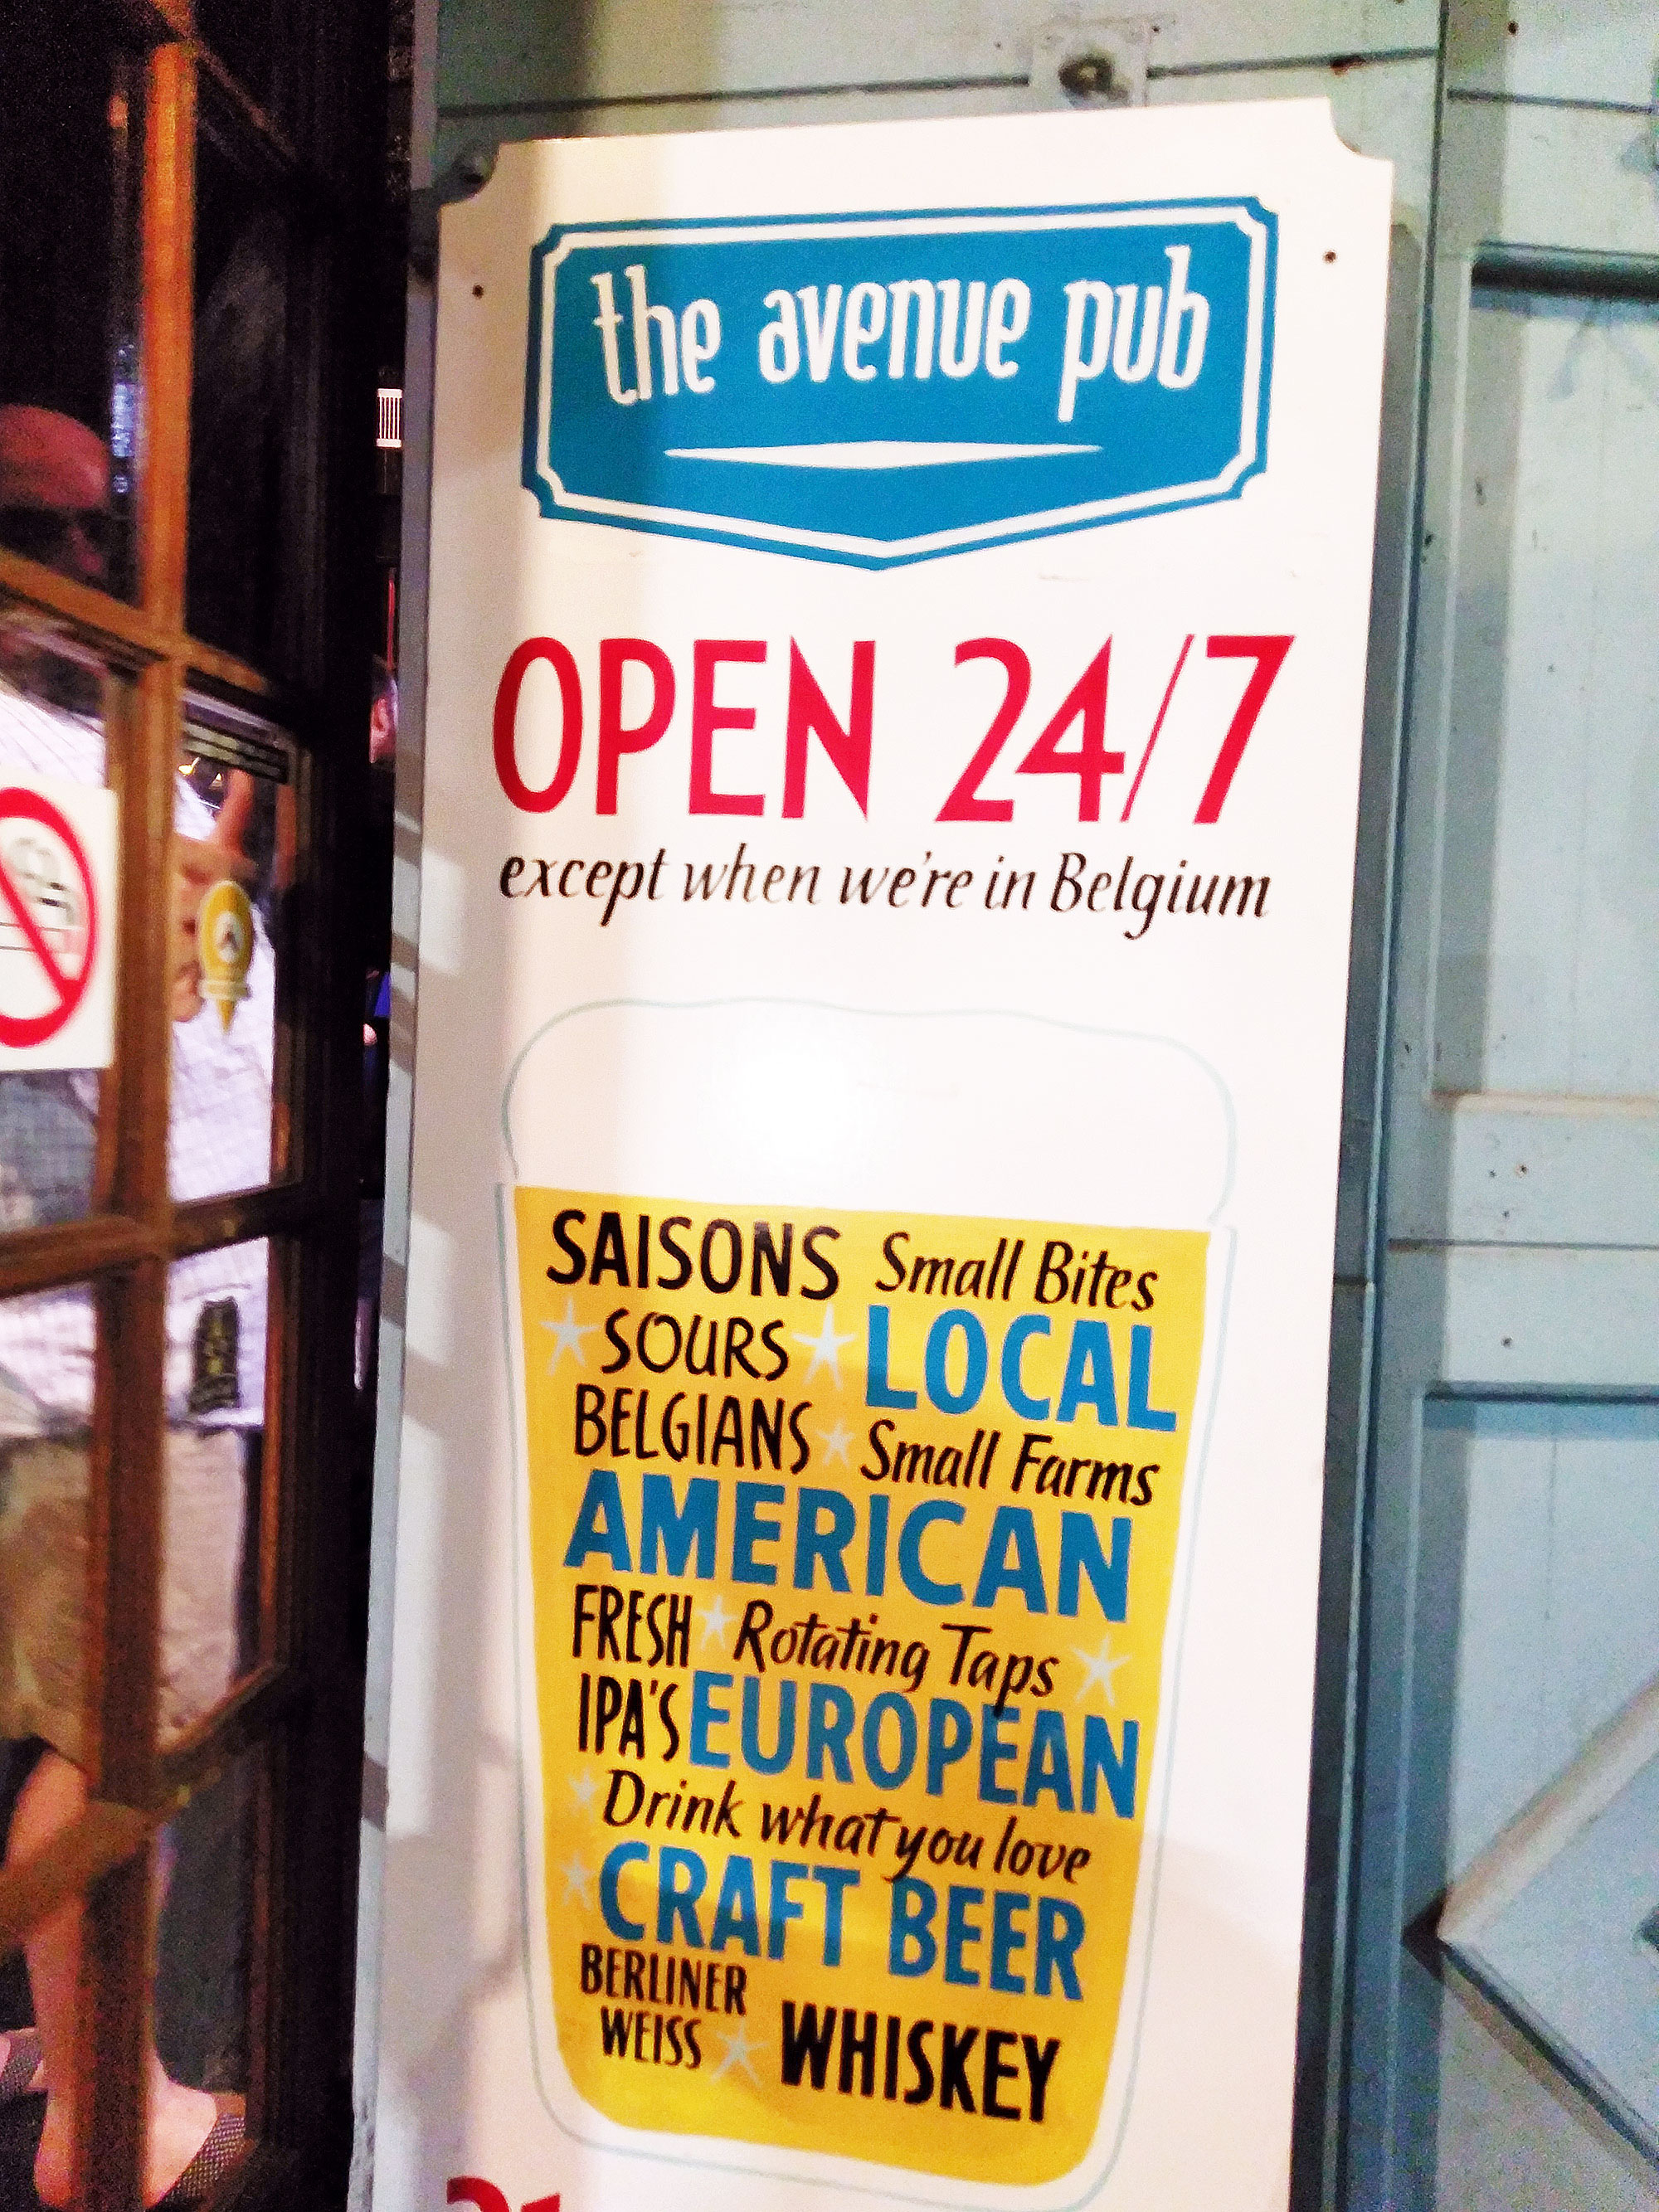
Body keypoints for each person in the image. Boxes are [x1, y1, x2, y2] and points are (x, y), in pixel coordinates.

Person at [0, 403, 271, 2206]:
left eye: (102, 530)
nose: (95, 568)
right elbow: (111, 1059)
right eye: (58, 534)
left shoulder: (108, 747)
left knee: (71, 1713)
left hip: (129, 1333)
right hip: (107, 1354)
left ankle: (65, 2036)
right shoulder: (47, 768)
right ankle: (113, 2113)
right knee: (123, 1733)